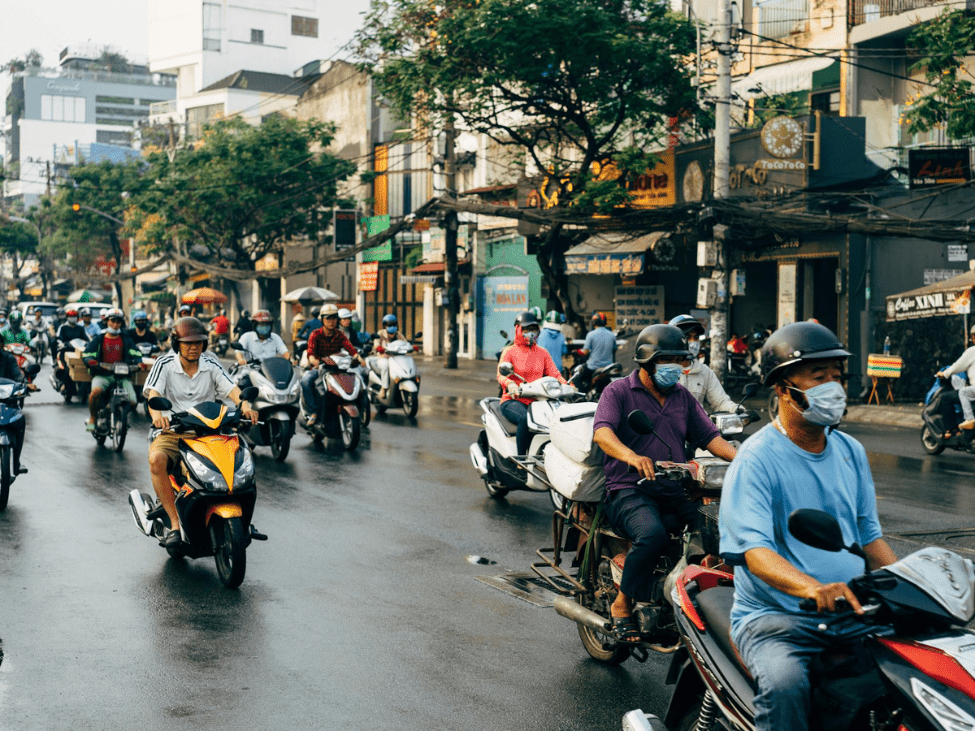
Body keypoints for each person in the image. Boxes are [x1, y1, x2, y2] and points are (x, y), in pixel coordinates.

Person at [719, 321, 896, 731]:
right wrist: (813, 588)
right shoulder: (756, 459)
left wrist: (910, 587)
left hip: (852, 610)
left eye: (837, 377)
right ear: (782, 388)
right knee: (785, 686)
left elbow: (870, 537)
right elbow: (755, 553)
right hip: (775, 618)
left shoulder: (850, 450)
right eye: (819, 378)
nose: (833, 387)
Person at [593, 324, 737, 642]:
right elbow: (602, 432)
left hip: (673, 488)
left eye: (678, 360)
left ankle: (693, 590)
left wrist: (743, 460)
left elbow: (710, 437)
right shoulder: (617, 392)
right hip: (628, 489)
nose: (675, 367)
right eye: (667, 359)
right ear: (647, 361)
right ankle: (622, 604)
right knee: (652, 533)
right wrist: (631, 457)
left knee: (718, 526)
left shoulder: (682, 397)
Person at [143, 317, 257, 548]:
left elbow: (232, 390)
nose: (194, 347)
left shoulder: (211, 364)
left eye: (199, 343)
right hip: (175, 431)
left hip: (210, 430)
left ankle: (244, 520)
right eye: (187, 343)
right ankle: (175, 524)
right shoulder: (164, 364)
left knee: (242, 461)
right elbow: (153, 394)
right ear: (177, 344)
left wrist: (245, 405)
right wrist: (158, 416)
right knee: (157, 460)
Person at [496, 311, 569, 455]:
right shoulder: (510, 351)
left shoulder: (542, 353)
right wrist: (510, 384)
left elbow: (554, 374)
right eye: (526, 329)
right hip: (513, 400)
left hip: (537, 401)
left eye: (534, 329)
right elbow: (501, 374)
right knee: (526, 419)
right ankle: (521, 460)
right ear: (518, 329)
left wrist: (567, 385)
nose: (531, 333)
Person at [81, 309, 143, 432]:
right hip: (103, 374)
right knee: (95, 393)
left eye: (118, 322)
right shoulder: (99, 338)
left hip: (122, 376)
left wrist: (139, 362)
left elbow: (136, 353)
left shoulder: (126, 339)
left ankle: (110, 410)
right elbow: (87, 354)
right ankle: (93, 418)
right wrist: (91, 361)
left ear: (121, 323)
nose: (115, 324)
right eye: (113, 321)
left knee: (132, 401)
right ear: (107, 322)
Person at [301, 304, 362, 425]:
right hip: (320, 368)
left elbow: (350, 348)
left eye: (334, 318)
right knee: (305, 381)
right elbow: (311, 352)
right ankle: (314, 412)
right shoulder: (315, 334)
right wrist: (313, 360)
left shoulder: (340, 334)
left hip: (338, 369)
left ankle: (358, 410)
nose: (331, 321)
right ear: (322, 320)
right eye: (328, 318)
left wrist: (359, 358)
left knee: (358, 383)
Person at [669, 314, 737, 413]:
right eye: (687, 337)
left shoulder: (705, 372)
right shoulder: (664, 371)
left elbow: (720, 402)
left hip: (699, 426)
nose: (693, 342)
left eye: (696, 337)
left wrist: (737, 410)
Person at [936, 324, 975, 430]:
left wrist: (944, 374)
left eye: (973, 337)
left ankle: (957, 426)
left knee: (947, 397)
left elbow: (957, 366)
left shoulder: (972, 351)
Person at [368, 313, 408, 400]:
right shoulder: (380, 333)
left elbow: (405, 343)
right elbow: (376, 344)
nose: (392, 326)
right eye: (389, 325)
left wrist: (412, 347)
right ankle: (384, 388)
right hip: (383, 357)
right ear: (385, 325)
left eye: (394, 324)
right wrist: (378, 348)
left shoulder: (398, 334)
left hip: (396, 358)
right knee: (385, 365)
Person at [577, 312, 617, 390]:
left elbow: (585, 352)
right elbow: (614, 350)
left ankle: (583, 395)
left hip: (593, 367)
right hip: (608, 367)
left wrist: (577, 352)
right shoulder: (612, 335)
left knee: (577, 375)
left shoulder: (591, 334)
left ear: (594, 322)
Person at [538, 310, 568, 376]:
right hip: (557, 370)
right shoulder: (561, 336)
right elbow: (564, 351)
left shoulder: (539, 334)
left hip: (542, 370)